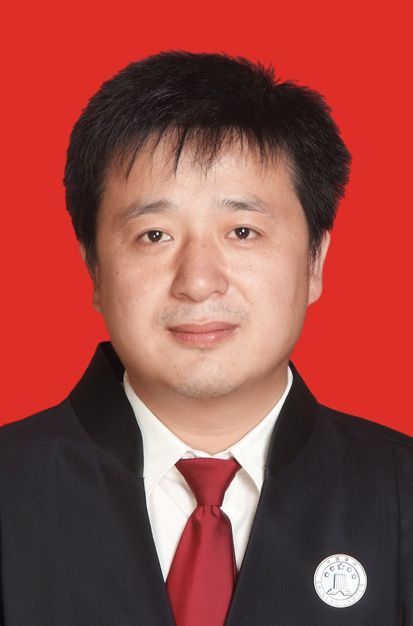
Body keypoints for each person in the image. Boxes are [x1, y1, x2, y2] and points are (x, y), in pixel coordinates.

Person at [0, 51, 412, 626]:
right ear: (95, 268)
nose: (197, 282)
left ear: (314, 260)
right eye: (154, 235)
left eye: (242, 231)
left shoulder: (401, 493)